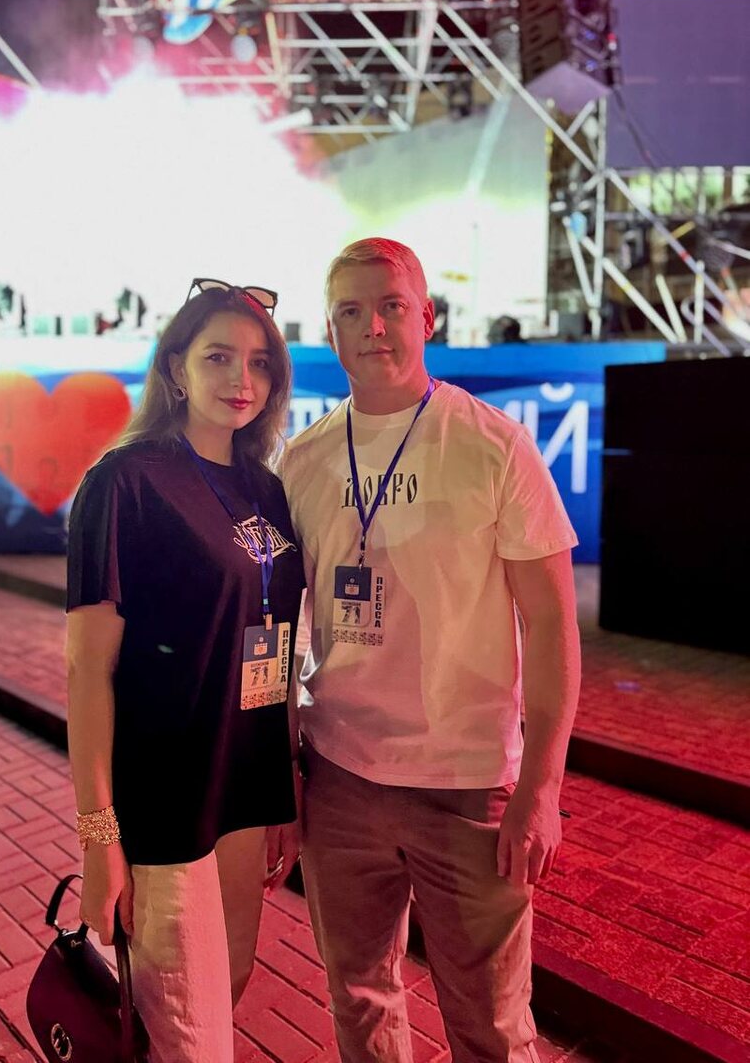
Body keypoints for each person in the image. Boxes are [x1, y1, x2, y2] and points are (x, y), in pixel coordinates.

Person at [281, 239, 581, 1063]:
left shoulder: (493, 447)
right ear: (331, 333)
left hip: (467, 787)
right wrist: (282, 770)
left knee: (492, 1029)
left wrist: (542, 788)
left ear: (428, 317)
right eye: (351, 312)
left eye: (391, 306)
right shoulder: (302, 460)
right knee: (359, 1002)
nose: (373, 327)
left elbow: (553, 628)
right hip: (338, 780)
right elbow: (280, 628)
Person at [66, 279, 305, 1063]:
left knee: (224, 991)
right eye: (218, 357)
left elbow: (276, 637)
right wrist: (100, 838)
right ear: (175, 368)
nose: (242, 379)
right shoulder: (125, 482)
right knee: (188, 1034)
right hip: (165, 801)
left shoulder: (266, 488)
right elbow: (87, 672)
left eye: (260, 363)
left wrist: (286, 779)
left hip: (247, 790)